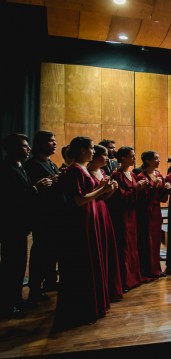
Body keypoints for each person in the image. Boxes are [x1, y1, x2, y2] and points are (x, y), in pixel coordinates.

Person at [54, 136, 116, 331]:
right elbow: (79, 200)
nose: (93, 152)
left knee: (91, 261)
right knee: (84, 262)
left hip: (90, 216)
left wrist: (104, 188)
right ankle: (82, 309)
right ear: (82, 150)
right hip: (81, 220)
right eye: (90, 148)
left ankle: (92, 305)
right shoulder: (74, 170)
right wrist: (102, 189)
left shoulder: (79, 168)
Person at [0, 133, 50, 319]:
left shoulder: (20, 166)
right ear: (12, 149)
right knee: (11, 265)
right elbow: (12, 199)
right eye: (23, 146)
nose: (28, 149)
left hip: (21, 226)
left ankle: (15, 299)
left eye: (28, 145)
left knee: (19, 264)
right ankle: (7, 305)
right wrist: (36, 188)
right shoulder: (6, 169)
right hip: (11, 226)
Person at [23, 131, 63, 304]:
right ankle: (35, 288)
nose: (54, 144)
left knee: (51, 252)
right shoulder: (32, 164)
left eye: (54, 141)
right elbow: (31, 191)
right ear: (40, 143)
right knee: (41, 253)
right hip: (43, 217)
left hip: (54, 217)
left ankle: (49, 282)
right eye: (50, 141)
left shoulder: (51, 163)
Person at [87, 145, 124, 302]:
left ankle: (109, 287)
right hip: (93, 210)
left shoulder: (102, 172)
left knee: (107, 247)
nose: (108, 159)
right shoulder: (87, 171)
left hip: (103, 209)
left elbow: (103, 197)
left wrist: (112, 190)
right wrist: (104, 189)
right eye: (105, 155)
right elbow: (90, 197)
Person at [108, 146, 147, 291]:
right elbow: (120, 197)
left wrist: (142, 188)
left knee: (133, 245)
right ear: (123, 158)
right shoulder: (117, 175)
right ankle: (125, 280)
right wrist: (137, 187)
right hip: (122, 214)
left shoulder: (132, 174)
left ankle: (134, 276)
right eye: (131, 156)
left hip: (132, 213)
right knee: (124, 246)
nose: (134, 158)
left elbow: (136, 194)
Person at [136, 151, 170, 279]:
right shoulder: (141, 176)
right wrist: (154, 187)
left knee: (156, 241)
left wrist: (165, 188)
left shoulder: (158, 174)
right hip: (145, 210)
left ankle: (156, 269)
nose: (159, 160)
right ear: (148, 161)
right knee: (147, 240)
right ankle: (147, 270)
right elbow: (140, 199)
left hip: (156, 210)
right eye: (156, 158)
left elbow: (162, 198)